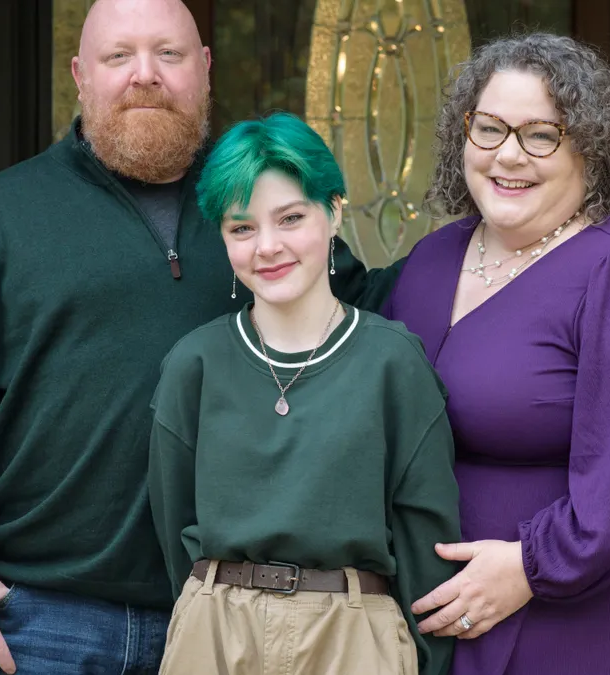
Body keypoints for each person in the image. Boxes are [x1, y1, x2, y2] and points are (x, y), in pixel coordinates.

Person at [0, 1, 396, 673]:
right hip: (39, 623)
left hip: (227, 617)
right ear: (80, 75)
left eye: (169, 54)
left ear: (204, 69)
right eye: (119, 56)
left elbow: (370, 305)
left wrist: (493, 247)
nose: (145, 75)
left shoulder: (258, 213)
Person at [383, 33, 610, 674]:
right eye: (489, 128)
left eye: (541, 136)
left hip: (606, 620)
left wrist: (531, 565)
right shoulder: (432, 259)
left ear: (591, 147)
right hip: (462, 624)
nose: (508, 155)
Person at [148, 112, 461, 675]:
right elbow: (174, 529)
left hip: (355, 633)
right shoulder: (193, 364)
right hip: (214, 632)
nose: (267, 246)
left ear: (334, 211)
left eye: (290, 218)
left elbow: (426, 546)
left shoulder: (393, 362)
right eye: (241, 228)